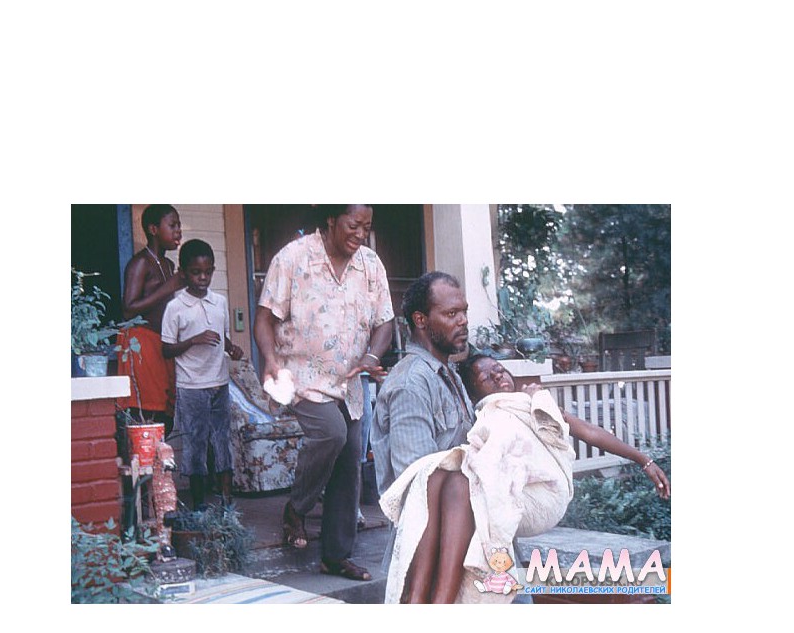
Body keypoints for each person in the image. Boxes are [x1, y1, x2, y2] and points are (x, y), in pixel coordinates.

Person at [378, 352, 671, 603]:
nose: (497, 377)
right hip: (499, 494)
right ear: (475, 394)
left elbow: (590, 433)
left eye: (499, 369)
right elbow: (487, 451)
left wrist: (643, 460)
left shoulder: (532, 403)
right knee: (438, 476)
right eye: (486, 378)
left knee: (458, 483)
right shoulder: (486, 414)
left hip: (543, 492)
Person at [253, 205, 394, 581]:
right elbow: (264, 318)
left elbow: (385, 322)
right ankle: (296, 508)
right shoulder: (293, 258)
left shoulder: (370, 265)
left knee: (349, 460)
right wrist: (270, 359)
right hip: (301, 376)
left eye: (366, 227)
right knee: (331, 433)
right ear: (332, 219)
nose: (360, 234)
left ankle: (336, 556)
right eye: (353, 224)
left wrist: (371, 356)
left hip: (349, 382)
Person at [369, 271, 478, 601]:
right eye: (451, 313)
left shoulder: (447, 373)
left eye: (464, 311)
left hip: (466, 534)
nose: (463, 321)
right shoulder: (411, 385)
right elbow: (419, 486)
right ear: (420, 320)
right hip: (431, 552)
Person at [161, 240, 244, 509]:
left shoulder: (219, 302)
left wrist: (232, 348)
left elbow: (223, 337)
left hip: (219, 382)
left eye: (208, 272)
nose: (203, 278)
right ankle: (198, 507)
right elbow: (166, 349)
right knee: (195, 444)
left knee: (222, 441)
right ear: (183, 273)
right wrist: (193, 340)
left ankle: (227, 505)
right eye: (196, 272)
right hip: (191, 386)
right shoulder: (175, 307)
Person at [117, 204, 186, 434]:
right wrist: (168, 287)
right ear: (153, 229)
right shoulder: (140, 263)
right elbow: (128, 309)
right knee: (146, 414)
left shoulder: (168, 265)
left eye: (179, 225)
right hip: (141, 343)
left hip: (162, 344)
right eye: (172, 225)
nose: (178, 231)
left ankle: (159, 457)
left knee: (166, 414)